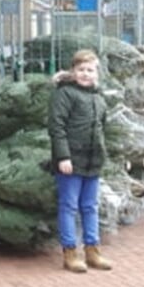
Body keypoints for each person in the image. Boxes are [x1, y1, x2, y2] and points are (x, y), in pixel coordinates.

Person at [48, 49, 112, 274]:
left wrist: (102, 153)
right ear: (73, 71)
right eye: (81, 69)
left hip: (92, 161)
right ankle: (70, 252)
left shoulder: (99, 98)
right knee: (69, 206)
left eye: (90, 70)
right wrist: (63, 156)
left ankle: (93, 250)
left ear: (97, 73)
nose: (86, 74)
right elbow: (57, 127)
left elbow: (102, 127)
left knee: (90, 206)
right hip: (71, 161)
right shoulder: (64, 94)